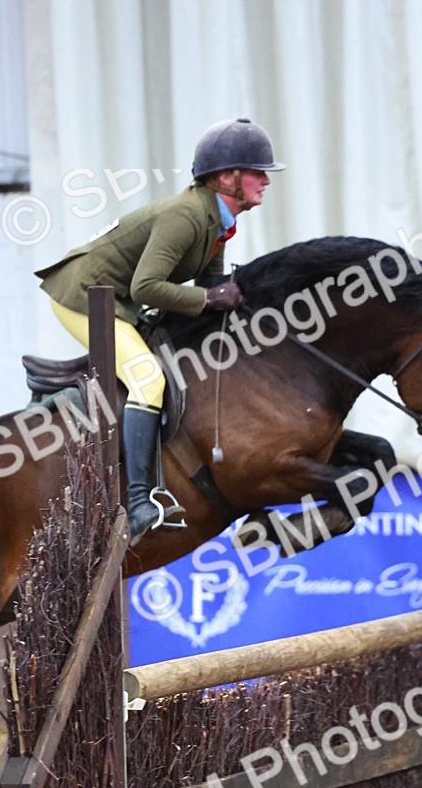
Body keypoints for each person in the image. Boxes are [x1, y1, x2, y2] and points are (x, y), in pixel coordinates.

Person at [35, 117, 285, 546]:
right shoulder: (186, 216)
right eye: (257, 171)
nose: (265, 180)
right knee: (148, 379)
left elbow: (207, 286)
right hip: (82, 297)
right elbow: (146, 287)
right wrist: (209, 301)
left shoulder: (217, 221)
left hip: (118, 297)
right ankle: (138, 504)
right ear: (227, 177)